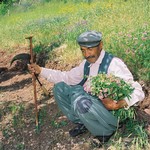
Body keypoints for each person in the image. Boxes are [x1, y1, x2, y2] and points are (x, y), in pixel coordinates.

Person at [28, 31, 145, 145]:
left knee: (81, 101)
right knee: (60, 88)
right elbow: (67, 77)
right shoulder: (86, 64)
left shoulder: (113, 64)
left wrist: (117, 104)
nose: (87, 54)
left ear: (101, 45)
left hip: (110, 113)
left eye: (90, 49)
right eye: (83, 50)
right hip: (91, 105)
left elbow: (137, 90)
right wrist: (41, 70)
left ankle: (105, 133)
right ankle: (83, 122)